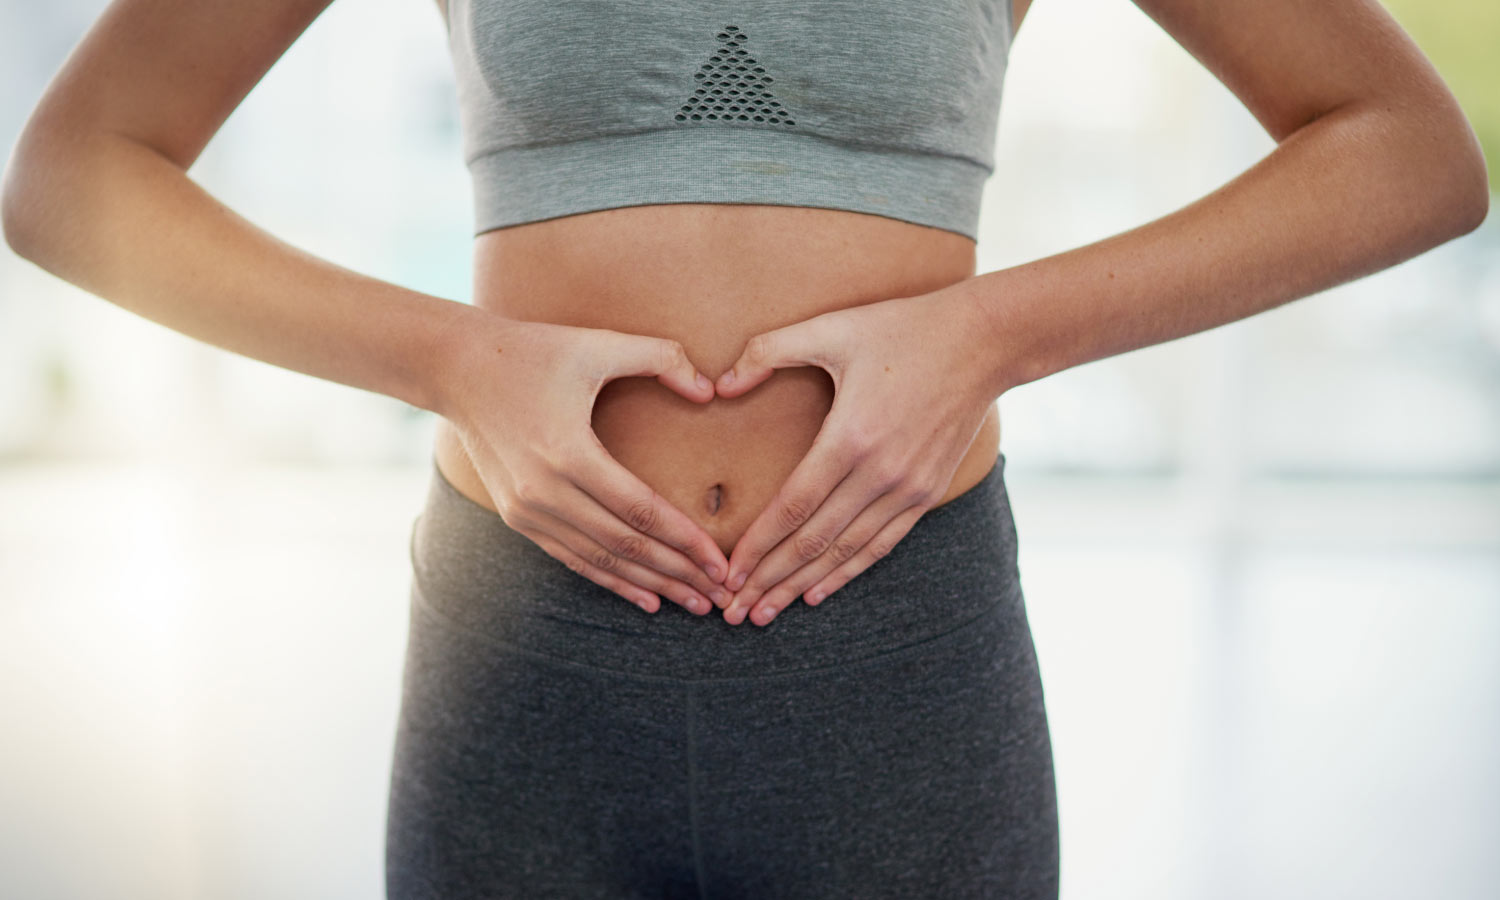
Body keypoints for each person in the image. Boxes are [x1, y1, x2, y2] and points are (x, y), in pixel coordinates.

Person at [1, 0, 1486, 896]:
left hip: (897, 664)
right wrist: (453, 360)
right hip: (528, 665)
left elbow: (1405, 150)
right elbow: (76, 171)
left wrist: (987, 336)